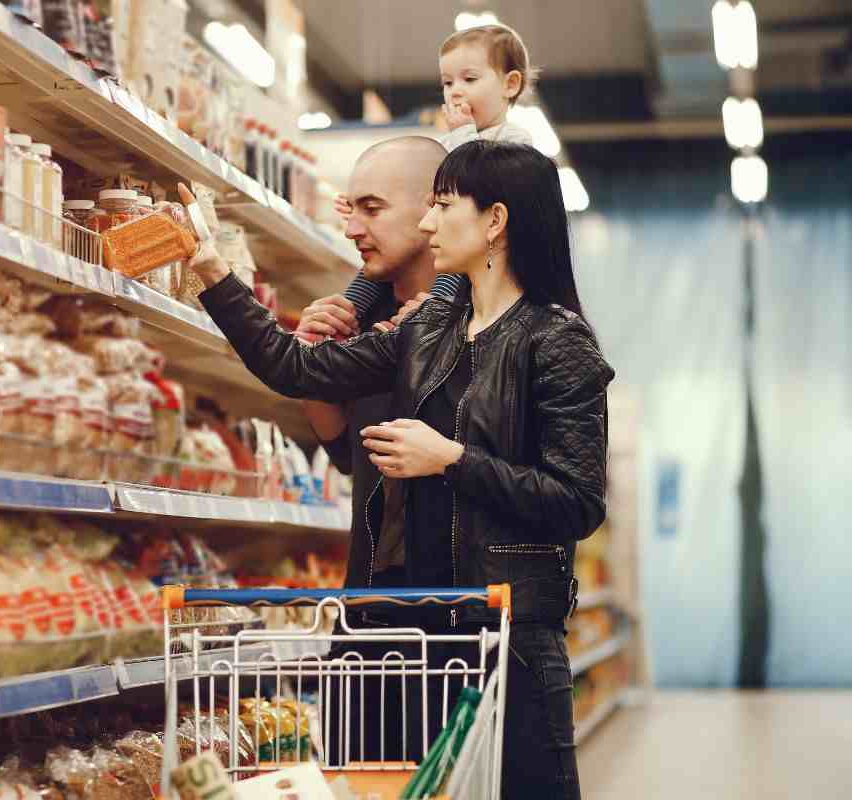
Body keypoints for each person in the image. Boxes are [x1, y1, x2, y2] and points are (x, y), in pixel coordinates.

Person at [181, 140, 613, 798]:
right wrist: (212, 269)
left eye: (443, 206)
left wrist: (452, 460)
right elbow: (296, 369)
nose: (430, 223)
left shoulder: (556, 341)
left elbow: (578, 503)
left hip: (502, 638)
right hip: (401, 629)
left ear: (494, 221)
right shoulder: (427, 331)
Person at [295, 136, 451, 592]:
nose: (351, 230)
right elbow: (349, 457)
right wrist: (312, 361)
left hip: (457, 611)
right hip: (367, 603)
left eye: (373, 208)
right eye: (351, 209)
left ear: (431, 210)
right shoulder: (362, 318)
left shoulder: (476, 323)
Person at [333, 23, 537, 333]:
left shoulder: (514, 143)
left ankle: (434, 315)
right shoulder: (446, 143)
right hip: (453, 243)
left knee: (456, 258)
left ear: (510, 85)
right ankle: (349, 314)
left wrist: (464, 135)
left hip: (484, 253)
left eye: (469, 79)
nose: (455, 90)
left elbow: (481, 184)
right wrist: (364, 208)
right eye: (447, 82)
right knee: (376, 265)